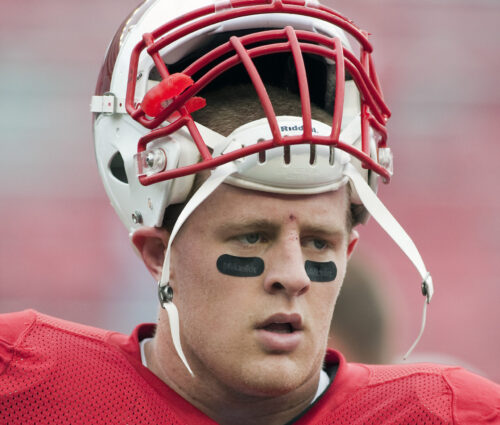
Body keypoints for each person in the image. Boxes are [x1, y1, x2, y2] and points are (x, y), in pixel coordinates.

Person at [1, 0, 499, 424]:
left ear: (350, 250)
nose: (293, 276)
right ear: (158, 254)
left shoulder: (450, 414)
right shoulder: (24, 386)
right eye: (251, 237)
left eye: (318, 242)